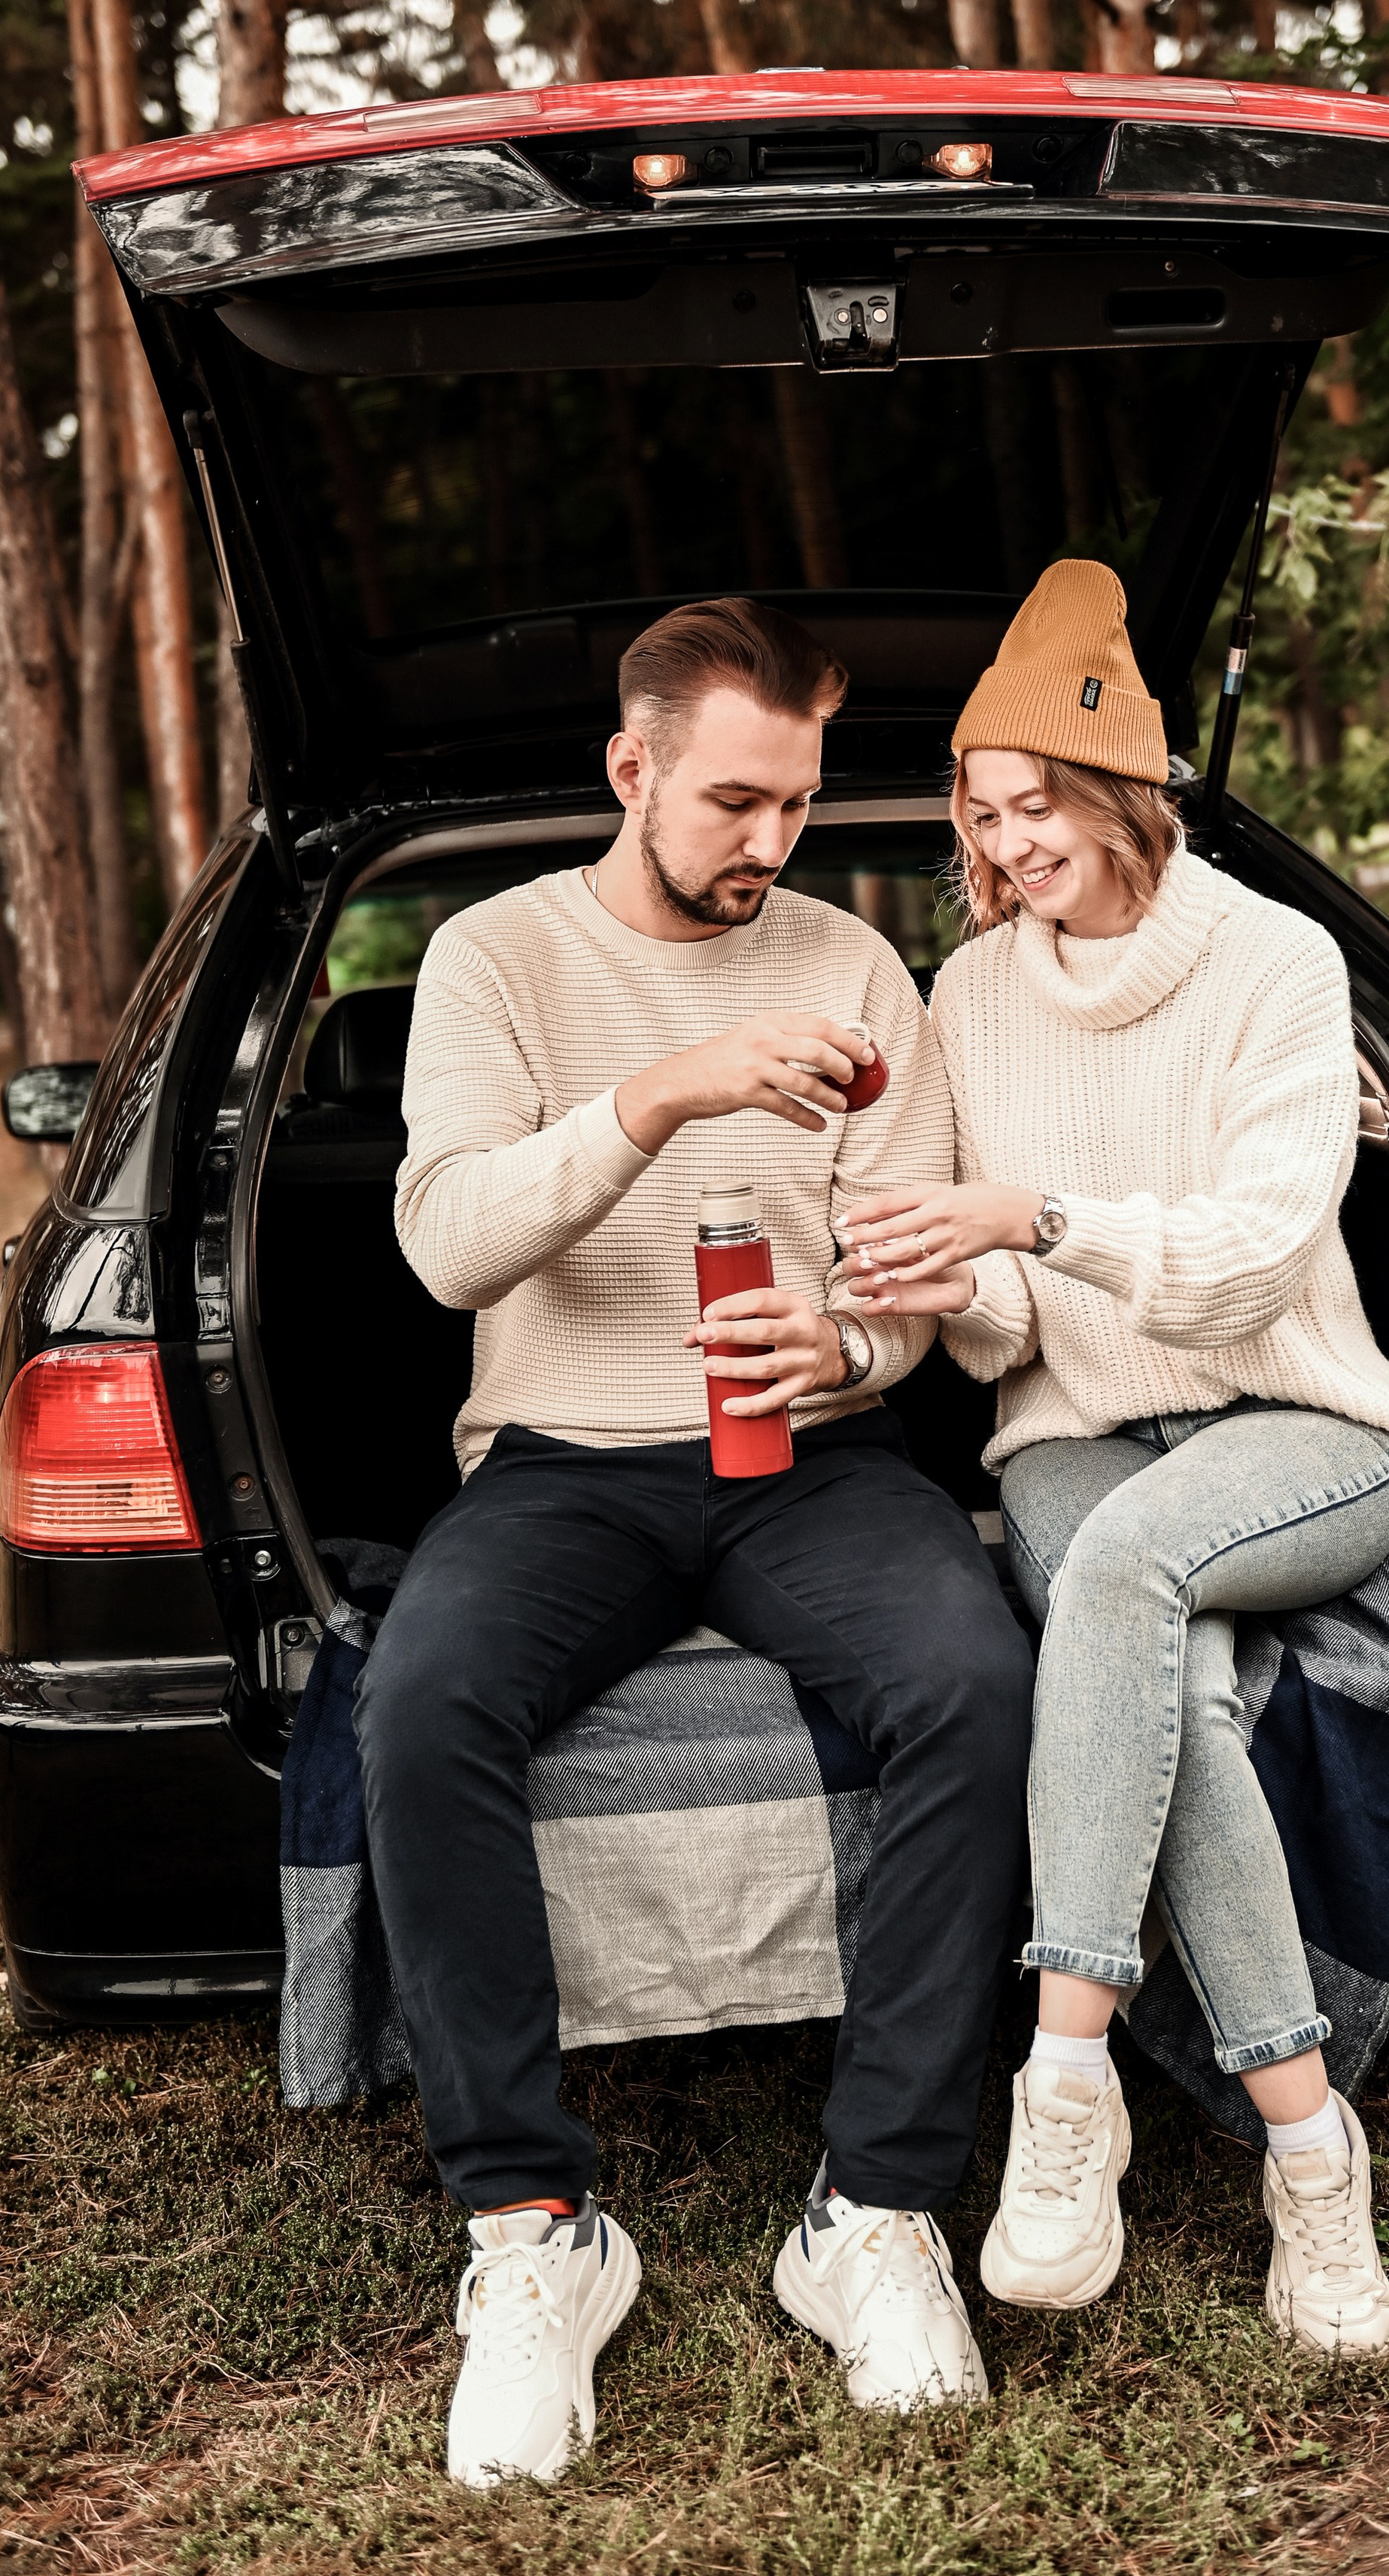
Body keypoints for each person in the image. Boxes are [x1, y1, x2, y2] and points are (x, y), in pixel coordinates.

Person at [362, 597, 1034, 2484]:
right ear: (631, 768)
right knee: (419, 1707)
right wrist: (663, 1093)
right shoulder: (493, 960)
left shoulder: (857, 967)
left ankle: (874, 2212)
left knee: (976, 1683)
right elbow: (448, 1242)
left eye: (798, 804)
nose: (771, 843)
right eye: (735, 799)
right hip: (563, 1460)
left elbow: (913, 1260)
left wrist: (853, 1334)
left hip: (812, 1457)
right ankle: (533, 2232)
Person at [835, 559, 1389, 2358]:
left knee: (1121, 1578)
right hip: (1070, 1432)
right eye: (979, 812)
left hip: (1301, 1421)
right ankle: (1309, 2155)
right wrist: (959, 1271)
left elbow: (1256, 1255)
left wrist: (1035, 1211)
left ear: (1116, 792)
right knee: (1155, 1657)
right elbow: (990, 1310)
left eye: (1033, 807)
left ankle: (1064, 2076)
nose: (1006, 845)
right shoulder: (970, 996)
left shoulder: (1272, 959)